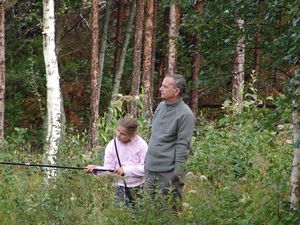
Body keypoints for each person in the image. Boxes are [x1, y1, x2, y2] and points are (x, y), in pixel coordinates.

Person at [144, 73, 195, 208]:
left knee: (168, 214)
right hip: (150, 169)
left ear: (177, 91)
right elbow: (154, 136)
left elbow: (183, 146)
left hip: (168, 173)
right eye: (162, 85)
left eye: (165, 86)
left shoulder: (185, 114)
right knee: (148, 213)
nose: (160, 89)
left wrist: (177, 175)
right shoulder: (160, 106)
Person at [85, 116, 148, 206]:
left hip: (138, 187)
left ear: (132, 134)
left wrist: (125, 170)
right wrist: (95, 169)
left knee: (138, 215)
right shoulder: (112, 145)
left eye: (123, 134)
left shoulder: (142, 145)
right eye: (118, 130)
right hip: (120, 187)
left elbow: (146, 169)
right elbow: (109, 169)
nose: (118, 135)